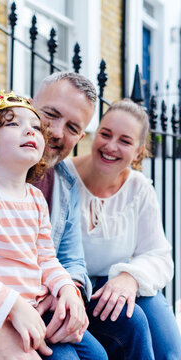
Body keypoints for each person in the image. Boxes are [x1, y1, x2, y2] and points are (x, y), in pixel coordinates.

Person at [0, 72, 155, 360]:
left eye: (72, 127)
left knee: (128, 326)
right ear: (31, 104)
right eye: (49, 115)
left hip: (36, 306)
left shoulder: (55, 187)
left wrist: (69, 292)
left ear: (80, 137)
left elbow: (63, 259)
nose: (53, 131)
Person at [64, 98, 181, 359]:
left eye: (125, 141)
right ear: (94, 134)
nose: (111, 146)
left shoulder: (139, 188)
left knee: (169, 350)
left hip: (118, 282)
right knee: (133, 323)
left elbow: (159, 255)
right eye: (105, 134)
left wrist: (129, 278)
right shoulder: (63, 176)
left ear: (139, 151)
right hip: (71, 287)